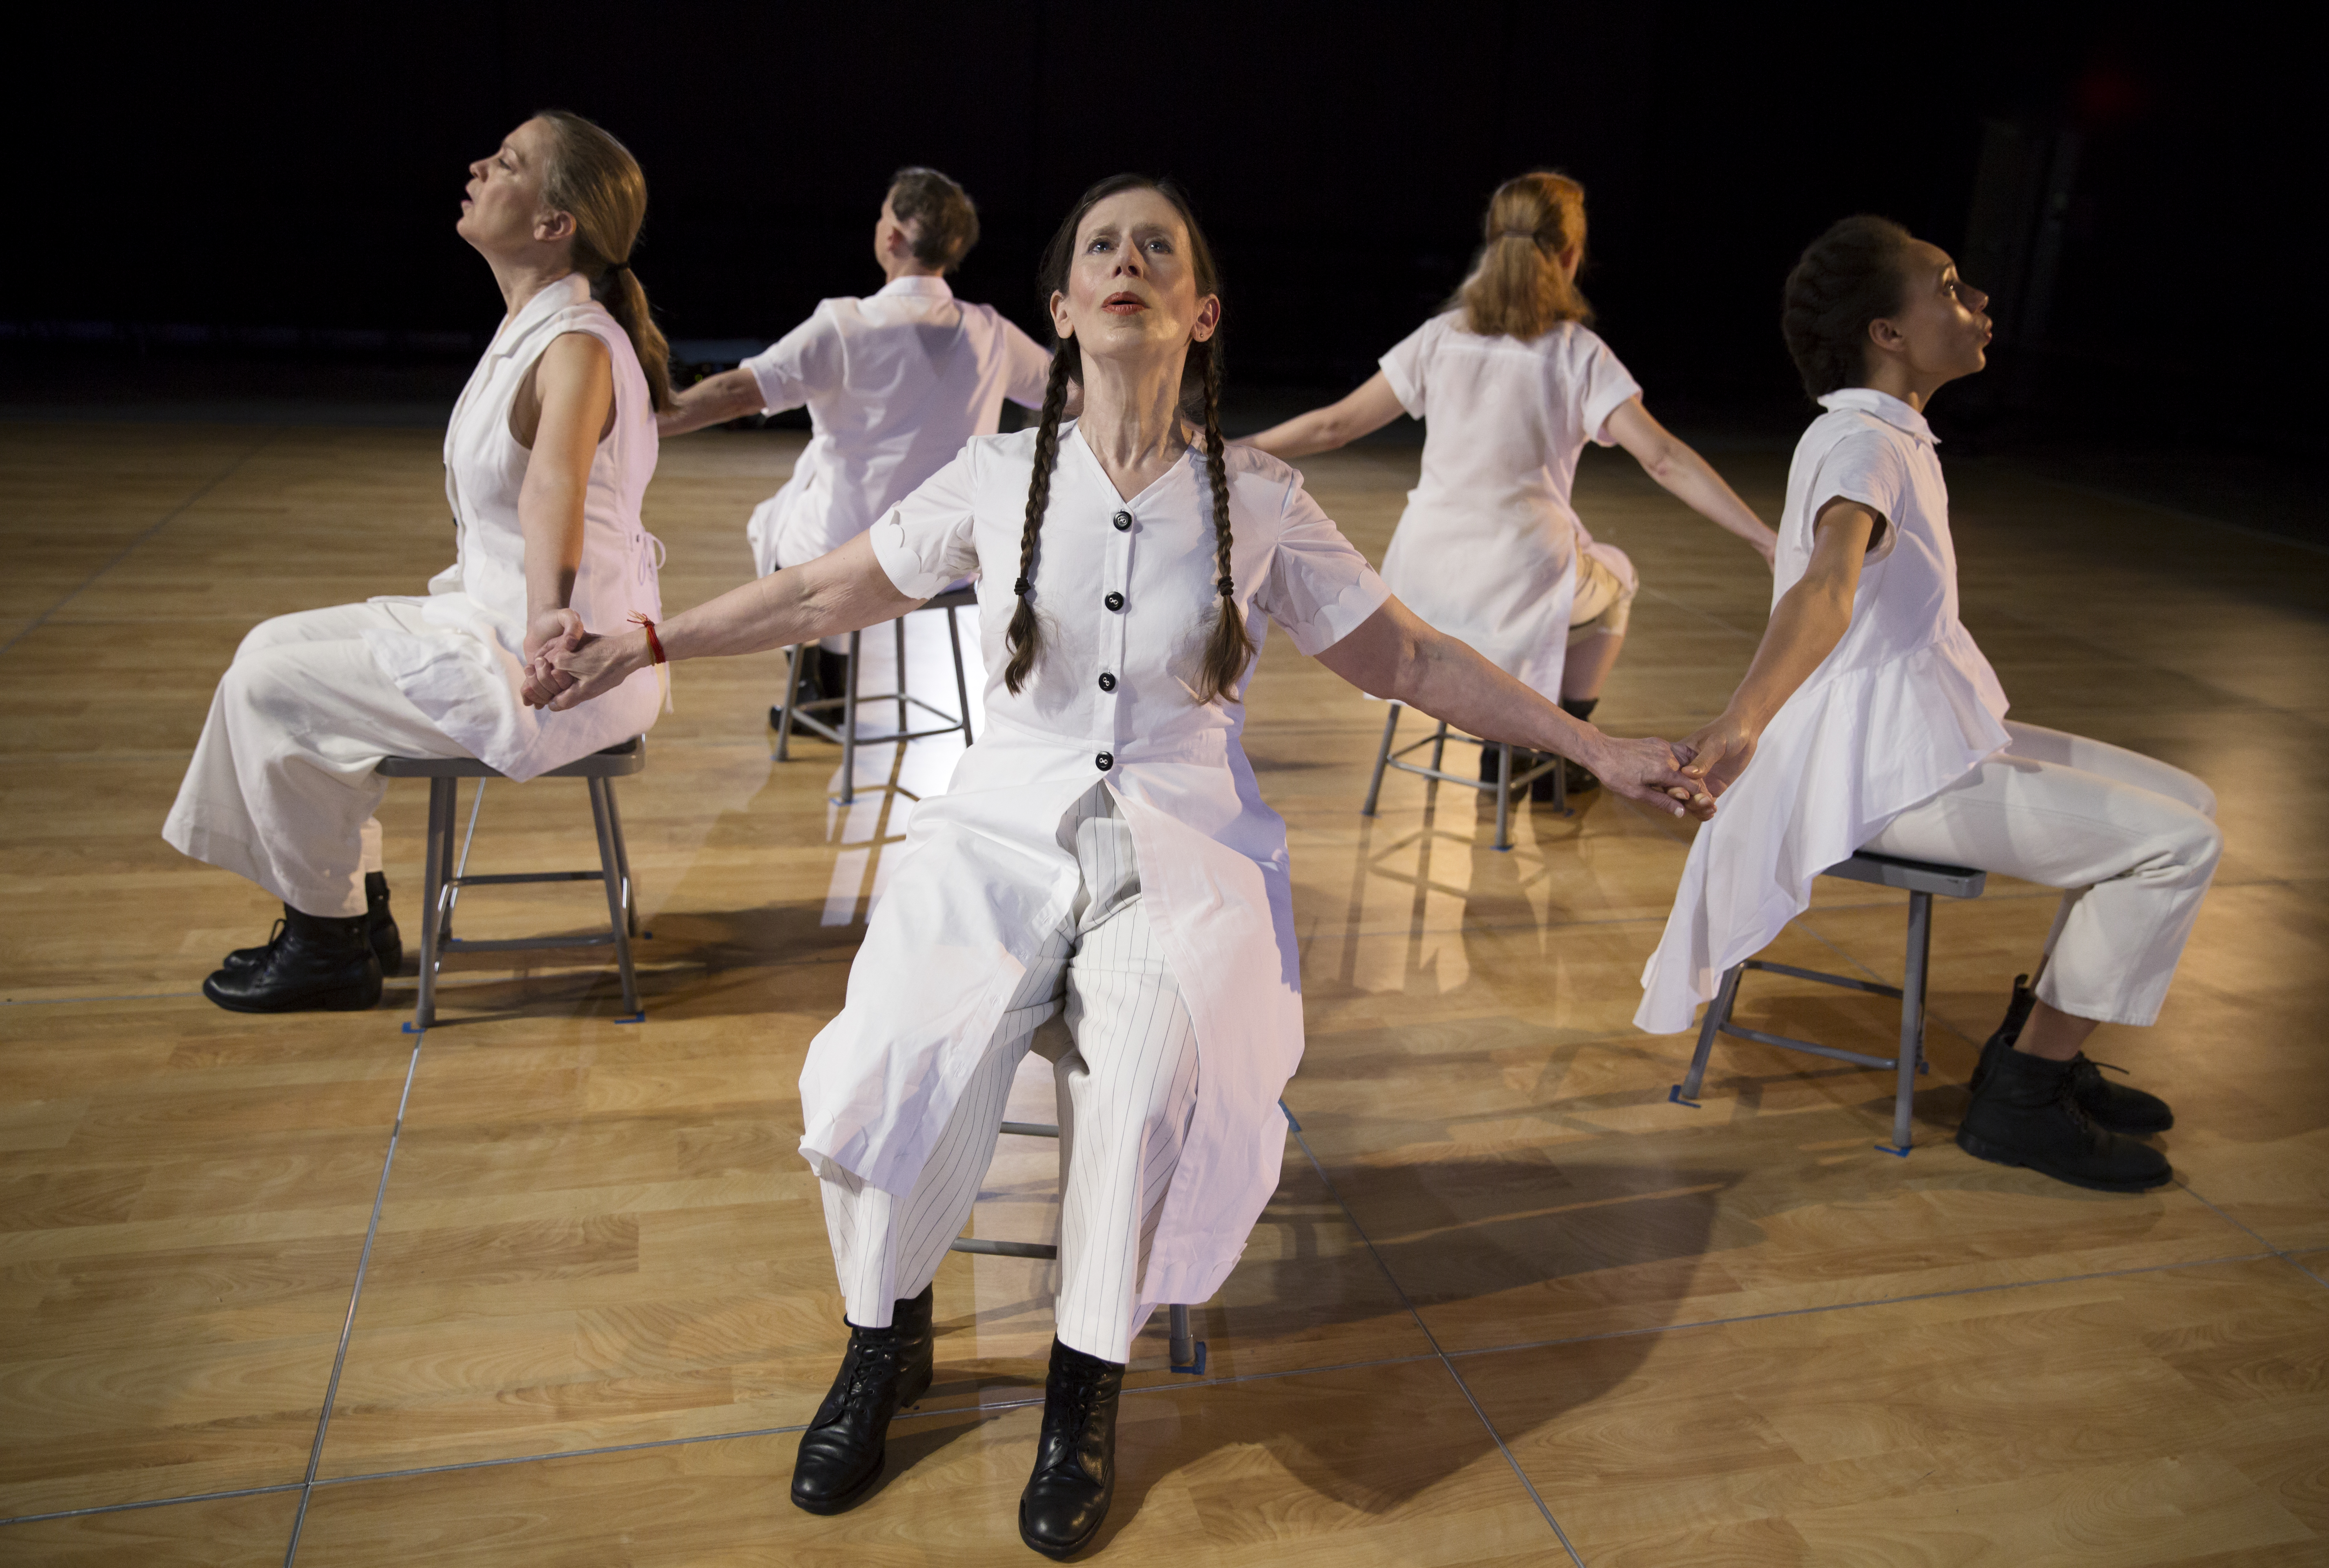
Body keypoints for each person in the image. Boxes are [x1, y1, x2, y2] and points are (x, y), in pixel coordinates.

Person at [525, 174, 1710, 1557]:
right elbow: (816, 591)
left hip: (1183, 851)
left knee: (1150, 1090)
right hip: (998, 834)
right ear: (1063, 307)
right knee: (897, 1056)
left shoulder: (1257, 498)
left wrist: (1594, 742)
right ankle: (884, 1343)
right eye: (1103, 247)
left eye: (1161, 248)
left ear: (1201, 312)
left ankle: (1082, 1391)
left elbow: (1415, 659)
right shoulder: (998, 478)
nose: (1129, 261)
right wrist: (643, 642)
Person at [1638, 216, 2221, 1193]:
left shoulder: (1883, 434)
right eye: (1950, 287)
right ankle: (2024, 1096)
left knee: (2190, 803)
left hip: (1908, 735)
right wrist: (1741, 718)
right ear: (1888, 335)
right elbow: (1825, 586)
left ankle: (2034, 1050)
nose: (1979, 301)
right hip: (1870, 769)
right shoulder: (1862, 442)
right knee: (2178, 846)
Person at [162, 111, 671, 1013]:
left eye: (509, 162)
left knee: (271, 688)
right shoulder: (537, 328)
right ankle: (351, 914)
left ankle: (330, 940)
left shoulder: (579, 345)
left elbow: (552, 485)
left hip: (557, 663)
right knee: (267, 648)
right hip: (492, 621)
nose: (478, 165)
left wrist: (551, 607)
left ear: (556, 224)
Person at [1238, 171, 1775, 791]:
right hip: (1521, 578)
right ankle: (1556, 754)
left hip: (1420, 580)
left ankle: (1531, 746)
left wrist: (1232, 448)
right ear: (1571, 258)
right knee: (1617, 582)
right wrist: (1763, 537)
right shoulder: (1577, 354)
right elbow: (1664, 459)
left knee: (1588, 571)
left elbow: (1333, 426)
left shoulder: (1441, 338)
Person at [658, 167, 1063, 727]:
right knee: (804, 503)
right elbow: (1072, 397)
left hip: (847, 556)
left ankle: (816, 679)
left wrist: (643, 423)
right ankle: (823, 678)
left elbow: (735, 393)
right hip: (951, 562)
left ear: (893, 236)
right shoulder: (988, 332)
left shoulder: (847, 324)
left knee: (772, 522)